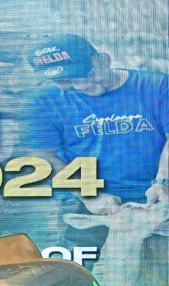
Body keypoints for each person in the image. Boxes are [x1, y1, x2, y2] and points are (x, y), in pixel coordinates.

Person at [24, 35, 169, 248]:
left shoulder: (155, 86)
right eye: (67, 81)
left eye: (88, 74)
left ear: (104, 59)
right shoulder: (44, 101)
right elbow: (42, 155)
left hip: (155, 197)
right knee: (76, 272)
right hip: (83, 201)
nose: (82, 86)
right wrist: (89, 195)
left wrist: (162, 182)